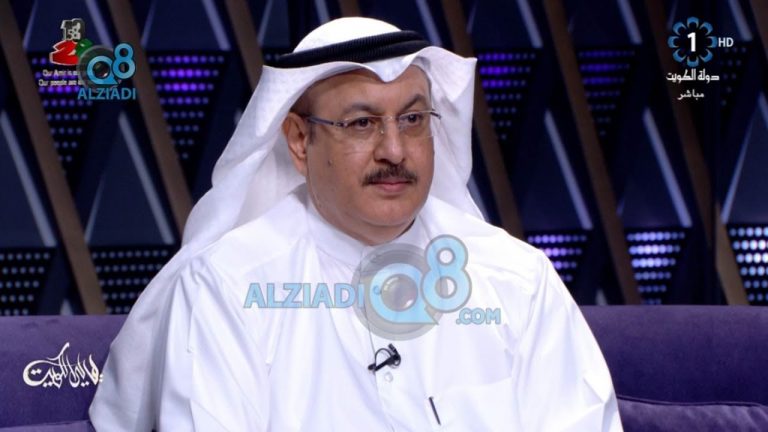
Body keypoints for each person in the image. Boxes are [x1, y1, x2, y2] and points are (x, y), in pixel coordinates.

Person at [89, 17, 621, 431]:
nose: (395, 150)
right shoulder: (226, 288)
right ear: (300, 141)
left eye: (412, 120)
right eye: (362, 123)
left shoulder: (516, 279)